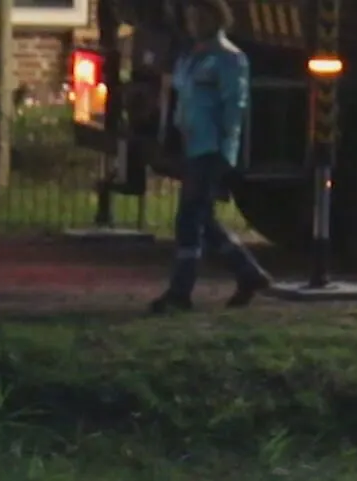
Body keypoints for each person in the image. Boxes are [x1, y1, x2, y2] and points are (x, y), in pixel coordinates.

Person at [148, 0, 271, 314]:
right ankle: (249, 273)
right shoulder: (189, 57)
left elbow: (234, 107)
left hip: (211, 148)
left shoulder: (230, 59)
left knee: (189, 218)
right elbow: (180, 96)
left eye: (199, 17)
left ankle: (181, 290)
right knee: (202, 216)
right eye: (190, 17)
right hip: (191, 146)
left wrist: (227, 151)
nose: (193, 23)